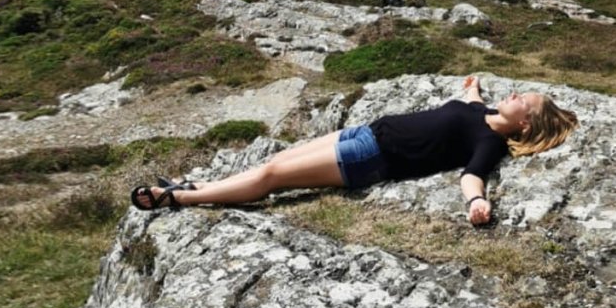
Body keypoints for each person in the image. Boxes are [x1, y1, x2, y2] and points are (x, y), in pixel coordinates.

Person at [130, 76, 578, 225]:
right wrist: (474, 86)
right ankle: (202, 186)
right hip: (362, 133)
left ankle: (180, 198)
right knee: (273, 163)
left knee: (272, 180)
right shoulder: (479, 112)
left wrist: (478, 202)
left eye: (525, 101)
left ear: (524, 124)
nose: (517, 94)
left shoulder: (490, 142)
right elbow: (470, 99)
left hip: (369, 160)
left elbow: (472, 176)